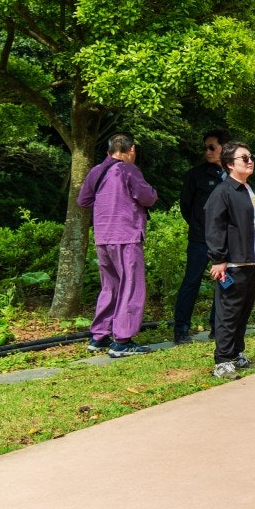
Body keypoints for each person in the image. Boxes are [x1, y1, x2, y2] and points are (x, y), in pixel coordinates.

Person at [77, 133, 158, 358]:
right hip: (126, 234)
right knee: (131, 286)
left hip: (103, 235)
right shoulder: (128, 170)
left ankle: (99, 336)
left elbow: (83, 201)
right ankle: (122, 340)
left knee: (110, 286)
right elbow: (147, 197)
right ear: (131, 150)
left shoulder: (96, 171)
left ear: (108, 151)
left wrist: (106, 203)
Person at [204, 141, 255, 380]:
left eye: (251, 156)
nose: (250, 161)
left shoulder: (251, 190)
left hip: (251, 259)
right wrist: (218, 259)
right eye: (244, 158)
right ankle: (222, 359)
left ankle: (235, 353)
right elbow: (215, 226)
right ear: (229, 164)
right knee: (228, 311)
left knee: (243, 310)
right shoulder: (223, 192)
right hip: (232, 262)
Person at [173, 129, 229, 344]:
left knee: (225, 284)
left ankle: (218, 327)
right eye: (205, 147)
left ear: (224, 147)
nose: (207, 151)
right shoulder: (195, 175)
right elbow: (186, 206)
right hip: (200, 239)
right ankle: (181, 330)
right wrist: (200, 227)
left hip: (226, 240)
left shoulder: (234, 174)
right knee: (191, 282)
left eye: (212, 147)